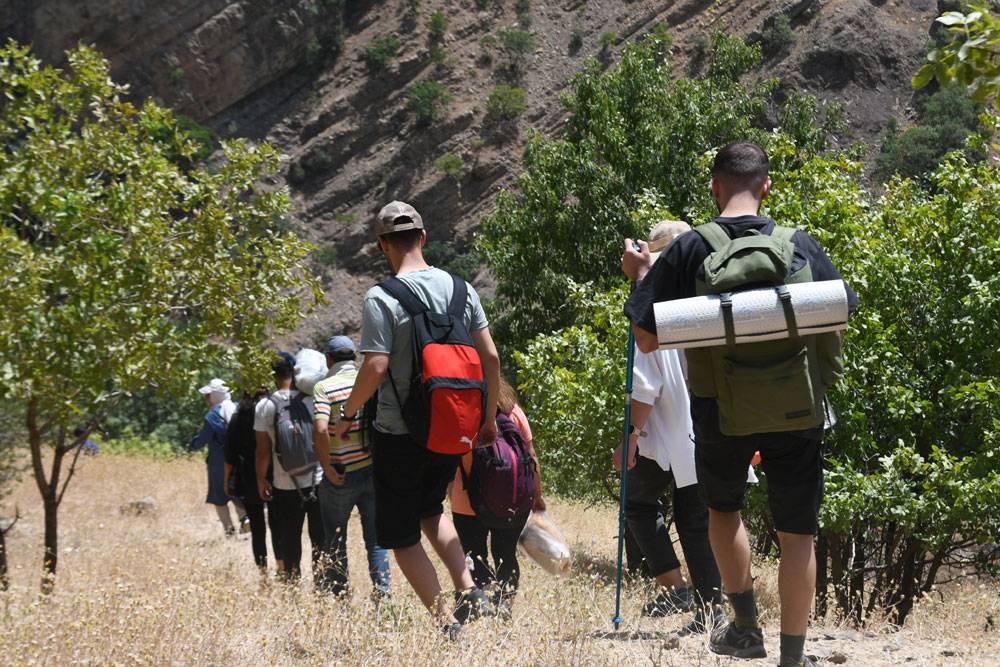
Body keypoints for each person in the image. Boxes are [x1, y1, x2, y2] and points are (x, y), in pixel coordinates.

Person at [622, 142, 859, 667]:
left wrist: (640, 277)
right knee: (798, 533)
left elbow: (645, 338)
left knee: (724, 511)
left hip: (718, 408)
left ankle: (746, 629)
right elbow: (840, 312)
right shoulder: (799, 244)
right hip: (798, 407)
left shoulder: (689, 249)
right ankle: (793, 656)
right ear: (766, 187)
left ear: (715, 187)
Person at [332, 200, 501, 636]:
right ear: (423, 237)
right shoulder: (462, 290)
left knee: (401, 534)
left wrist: (348, 414)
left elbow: (375, 367)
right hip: (451, 427)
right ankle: (469, 590)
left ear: (382, 244)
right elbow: (491, 358)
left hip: (399, 433)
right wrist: (487, 420)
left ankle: (447, 624)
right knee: (431, 508)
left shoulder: (382, 297)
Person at [614, 220, 742, 636]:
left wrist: (630, 438)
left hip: (672, 435)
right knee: (703, 516)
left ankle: (698, 603)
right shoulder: (710, 298)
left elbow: (645, 385)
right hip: (715, 427)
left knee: (670, 511)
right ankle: (708, 605)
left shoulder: (655, 310)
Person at [449, 375, 545, 616]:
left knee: (473, 554)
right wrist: (537, 495)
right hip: (512, 499)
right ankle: (503, 605)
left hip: (466, 499)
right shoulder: (514, 411)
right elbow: (531, 455)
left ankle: (478, 602)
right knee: (506, 554)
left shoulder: (462, 410)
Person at [313, 335, 390, 598]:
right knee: (376, 539)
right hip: (372, 471)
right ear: (354, 357)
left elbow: (320, 429)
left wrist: (327, 466)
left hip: (340, 475)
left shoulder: (323, 388)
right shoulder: (366, 383)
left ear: (329, 359)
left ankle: (341, 595)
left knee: (335, 539)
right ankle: (383, 594)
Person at [255, 353, 326, 585]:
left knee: (290, 537)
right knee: (319, 537)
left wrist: (261, 480)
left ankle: (292, 584)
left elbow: (263, 451)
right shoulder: (311, 400)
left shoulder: (265, 406)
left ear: (273, 375)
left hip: (284, 484)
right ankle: (322, 584)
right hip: (317, 480)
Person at [225, 387, 284, 577]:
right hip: (274, 474)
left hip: (248, 477)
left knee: (257, 528)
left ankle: (263, 571)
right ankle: (281, 566)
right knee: (277, 524)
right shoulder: (273, 413)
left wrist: (226, 481)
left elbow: (230, 455)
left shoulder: (238, 418)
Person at [190, 378, 247, 537]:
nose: (206, 398)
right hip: (240, 461)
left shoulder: (213, 415)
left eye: (208, 395)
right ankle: (245, 522)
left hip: (219, 464)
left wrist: (192, 443)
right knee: (237, 494)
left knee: (219, 498)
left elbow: (202, 440)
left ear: (215, 395)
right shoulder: (238, 408)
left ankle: (229, 531)